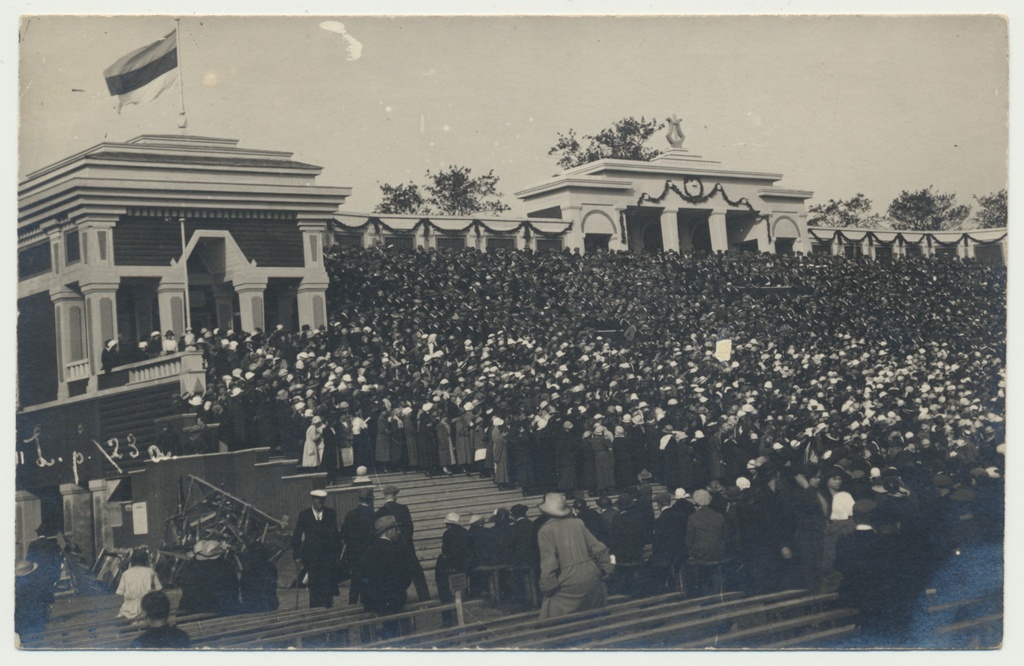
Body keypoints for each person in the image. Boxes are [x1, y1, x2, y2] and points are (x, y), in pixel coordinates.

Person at [536, 492, 615, 619]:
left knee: (550, 615)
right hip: (590, 575)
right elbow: (599, 548)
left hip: (567, 579)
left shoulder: (545, 530)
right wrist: (607, 568)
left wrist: (547, 586)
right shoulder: (577, 523)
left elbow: (549, 564)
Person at [360, 516, 420, 639]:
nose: (398, 532)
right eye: (395, 529)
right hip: (394, 600)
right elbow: (406, 577)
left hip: (374, 601)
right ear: (388, 532)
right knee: (395, 625)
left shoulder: (369, 551)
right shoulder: (397, 551)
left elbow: (364, 577)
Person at [375, 485, 430, 602]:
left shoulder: (380, 512)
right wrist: (402, 541)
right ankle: (425, 598)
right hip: (406, 547)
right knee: (417, 573)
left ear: (384, 496)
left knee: (394, 573)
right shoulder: (403, 508)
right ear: (396, 496)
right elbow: (410, 528)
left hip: (390, 548)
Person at [291, 489, 341, 609]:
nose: (321, 502)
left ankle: (328, 612)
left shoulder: (330, 514)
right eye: (318, 500)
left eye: (322, 500)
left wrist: (336, 555)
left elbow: (335, 536)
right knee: (314, 588)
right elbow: (296, 536)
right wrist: (297, 556)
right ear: (313, 500)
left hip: (327, 559)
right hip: (311, 559)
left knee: (328, 588)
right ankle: (315, 613)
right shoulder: (305, 515)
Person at [177, 540, 241, 616]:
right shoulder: (226, 567)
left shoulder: (191, 568)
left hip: (194, 614)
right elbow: (234, 590)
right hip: (223, 613)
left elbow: (187, 593)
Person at [340, 487, 376, 604]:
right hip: (369, 555)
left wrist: (352, 546)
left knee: (354, 585)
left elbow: (344, 535)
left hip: (354, 555)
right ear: (370, 500)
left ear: (359, 499)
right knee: (367, 584)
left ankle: (352, 608)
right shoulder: (373, 515)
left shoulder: (350, 514)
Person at [116, 549, 163, 621]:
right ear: (146, 560)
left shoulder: (126, 573)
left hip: (128, 609)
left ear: (132, 560)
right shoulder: (150, 571)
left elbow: (119, 593)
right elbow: (159, 589)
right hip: (146, 607)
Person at [239, 542, 279, 614]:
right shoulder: (271, 569)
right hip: (268, 605)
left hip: (252, 606)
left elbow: (244, 591)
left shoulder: (247, 571)